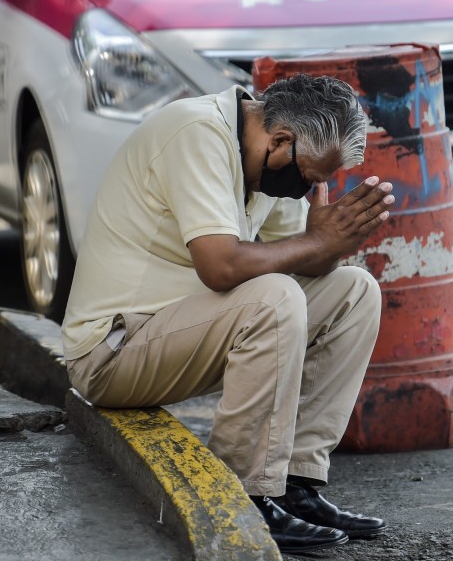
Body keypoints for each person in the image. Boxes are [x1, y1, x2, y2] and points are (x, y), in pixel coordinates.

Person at [62, 74, 395, 554]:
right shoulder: (196, 133)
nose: (311, 191)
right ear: (281, 140)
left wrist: (329, 243)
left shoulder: (267, 158)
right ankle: (244, 496)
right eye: (311, 178)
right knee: (274, 298)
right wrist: (314, 242)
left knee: (354, 291)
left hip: (182, 334)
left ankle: (295, 486)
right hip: (112, 351)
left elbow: (295, 256)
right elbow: (221, 267)